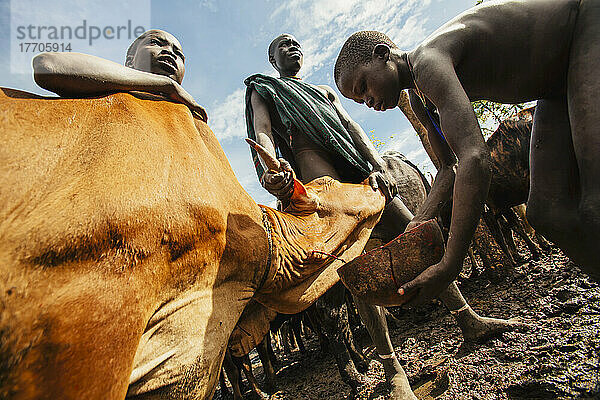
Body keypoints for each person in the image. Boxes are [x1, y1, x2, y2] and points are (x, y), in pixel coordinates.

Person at [246, 33, 519, 399]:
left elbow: (353, 129)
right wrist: (272, 167)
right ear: (271, 58)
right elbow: (263, 132)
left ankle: (467, 317)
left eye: (295, 43)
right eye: (282, 45)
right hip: (321, 185)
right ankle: (392, 369)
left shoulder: (325, 93)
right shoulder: (263, 90)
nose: (291, 47)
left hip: (364, 173)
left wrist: (377, 165)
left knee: (414, 234)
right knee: (356, 268)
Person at [334, 0, 599, 304]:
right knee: (546, 212)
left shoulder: (427, 62)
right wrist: (419, 219)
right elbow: (449, 167)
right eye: (359, 100)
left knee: (594, 203)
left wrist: (450, 263)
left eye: (364, 85)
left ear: (382, 55)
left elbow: (475, 157)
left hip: (583, 27)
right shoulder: (421, 99)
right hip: (553, 87)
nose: (368, 100)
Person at [33, 29, 207, 121]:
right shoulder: (106, 91)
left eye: (178, 54)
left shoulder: (193, 119)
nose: (169, 53)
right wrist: (165, 84)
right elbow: (48, 65)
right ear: (130, 61)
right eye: (156, 43)